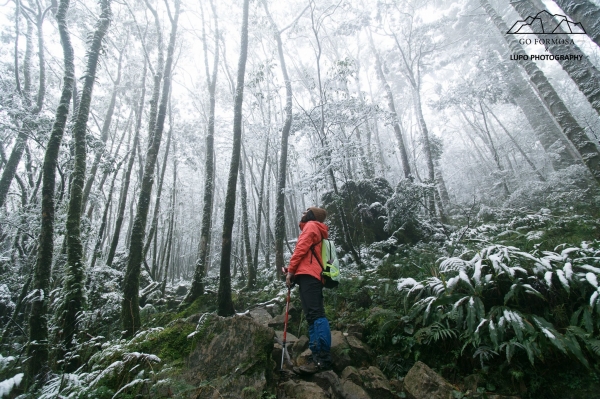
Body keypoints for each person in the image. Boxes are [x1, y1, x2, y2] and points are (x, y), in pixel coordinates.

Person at [286, 207, 332, 374]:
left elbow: (300, 250)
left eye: (307, 211)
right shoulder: (314, 227)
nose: (303, 213)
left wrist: (291, 271)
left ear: (313, 215)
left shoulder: (311, 226)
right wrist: (291, 271)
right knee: (312, 316)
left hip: (310, 276)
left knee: (316, 314)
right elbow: (306, 256)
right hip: (309, 276)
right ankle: (316, 355)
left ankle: (323, 357)